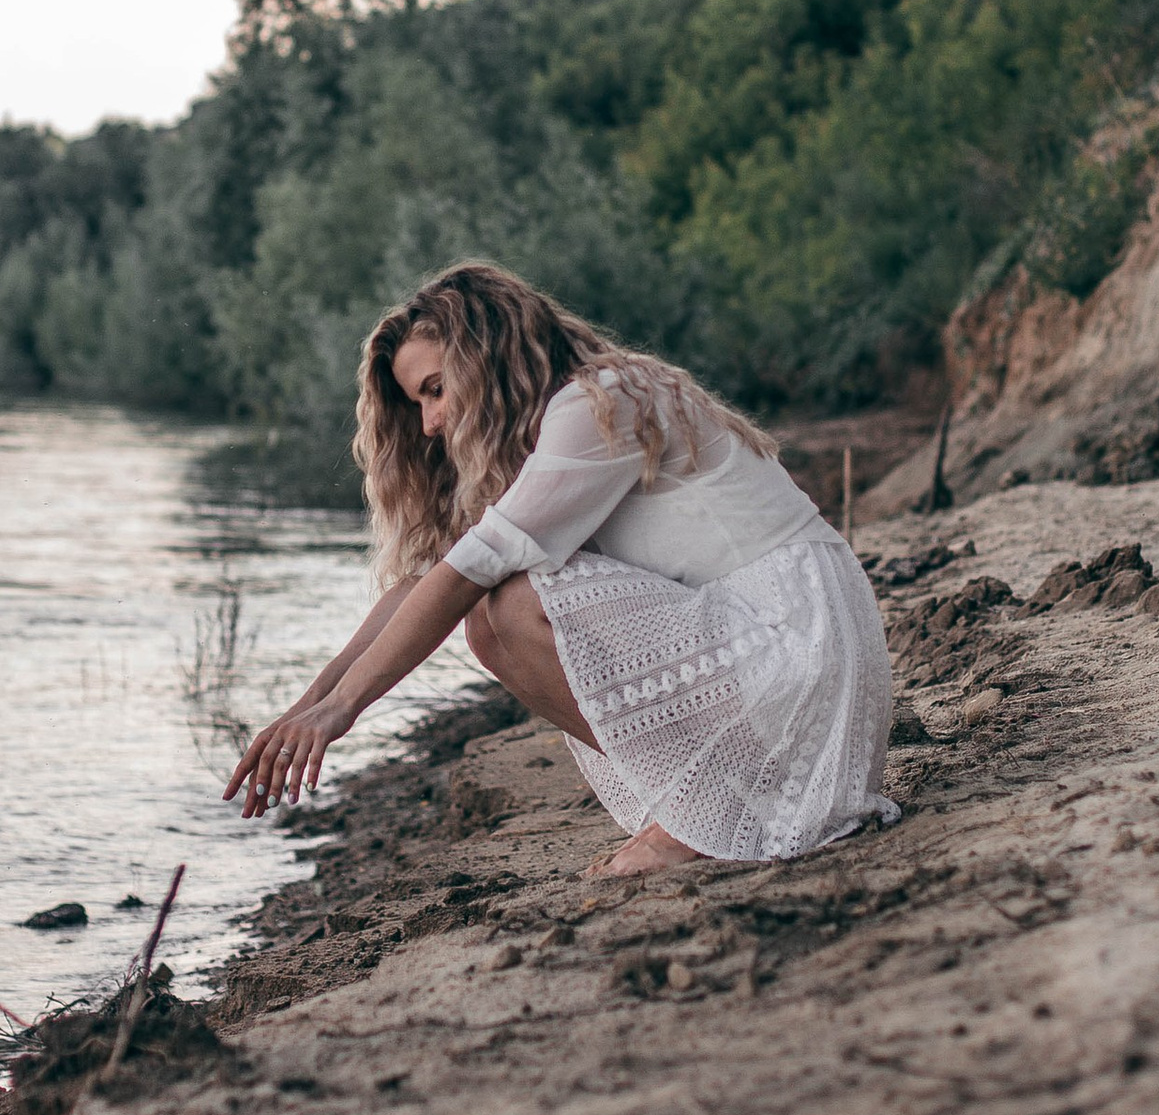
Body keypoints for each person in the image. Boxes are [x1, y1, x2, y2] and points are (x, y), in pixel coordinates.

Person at [224, 260, 897, 877]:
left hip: (797, 643)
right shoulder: (556, 426)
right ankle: (701, 804)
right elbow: (421, 581)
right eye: (416, 403)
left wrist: (343, 710)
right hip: (785, 644)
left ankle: (697, 815)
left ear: (485, 358)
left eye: (435, 390)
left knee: (507, 607)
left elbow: (462, 578)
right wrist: (303, 712)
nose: (428, 423)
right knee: (491, 607)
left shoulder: (599, 403)